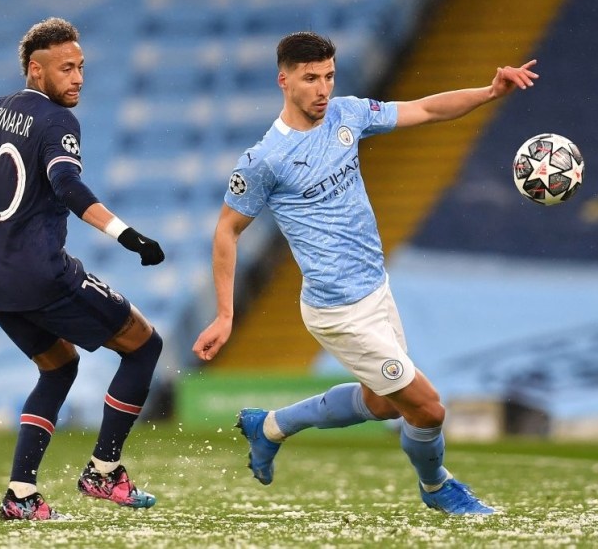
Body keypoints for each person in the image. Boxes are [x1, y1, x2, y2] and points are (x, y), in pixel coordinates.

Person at [193, 31, 539, 515]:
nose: (322, 89)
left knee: (382, 404)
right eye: (310, 78)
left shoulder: (347, 115)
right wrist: (226, 314)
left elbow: (425, 109)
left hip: (376, 289)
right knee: (428, 408)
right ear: (284, 80)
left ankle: (269, 426)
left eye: (329, 76)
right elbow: (226, 232)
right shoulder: (264, 160)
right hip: (337, 311)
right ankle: (437, 487)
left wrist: (488, 92)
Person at [0, 17, 166, 520]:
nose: (77, 78)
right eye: (66, 68)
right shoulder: (57, 122)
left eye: (81, 67)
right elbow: (67, 186)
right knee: (145, 346)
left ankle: (21, 494)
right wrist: (127, 234)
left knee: (59, 366)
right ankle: (104, 470)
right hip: (45, 275)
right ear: (36, 69)